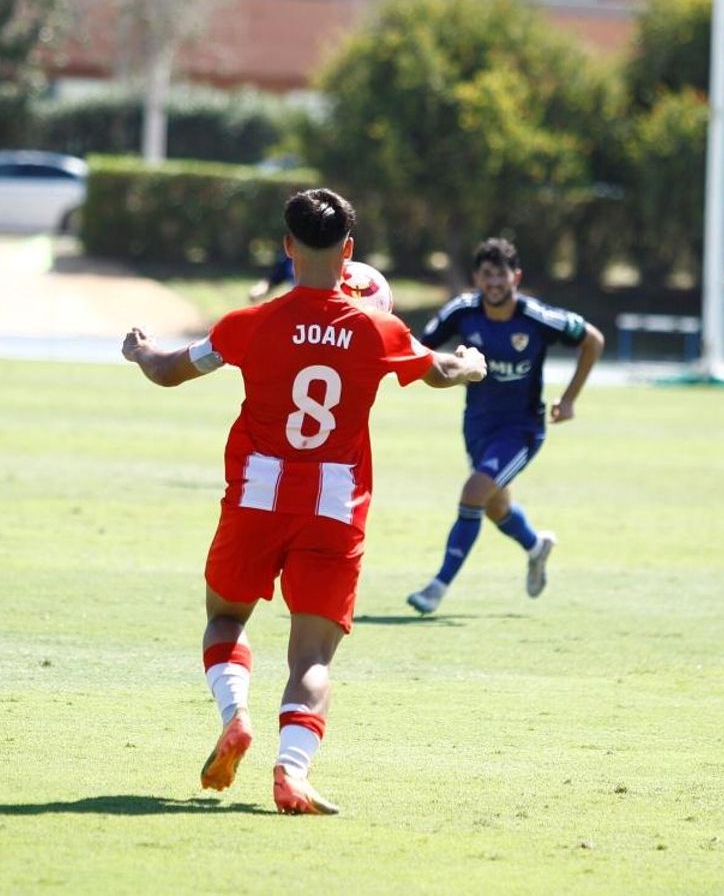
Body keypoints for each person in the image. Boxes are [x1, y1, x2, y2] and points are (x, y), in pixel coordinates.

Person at [122, 188, 485, 815]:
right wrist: (473, 364)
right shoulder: (380, 329)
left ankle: (236, 715)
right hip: (335, 506)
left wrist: (140, 350)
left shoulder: (247, 324)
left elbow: (170, 369)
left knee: (226, 620)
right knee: (312, 657)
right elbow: (439, 370)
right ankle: (291, 774)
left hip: (258, 497)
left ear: (287, 247)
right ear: (349, 252)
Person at [405, 237, 605, 615]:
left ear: (516, 277)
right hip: (477, 426)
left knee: (473, 492)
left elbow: (593, 340)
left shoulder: (536, 318)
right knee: (496, 507)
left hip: (522, 430)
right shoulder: (462, 312)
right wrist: (454, 368)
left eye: (501, 275)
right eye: (486, 275)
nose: (494, 283)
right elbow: (419, 347)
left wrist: (569, 399)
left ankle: (437, 587)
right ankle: (535, 546)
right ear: (477, 279)